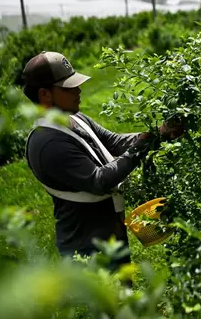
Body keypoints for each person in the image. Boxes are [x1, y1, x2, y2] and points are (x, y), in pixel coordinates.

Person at [21, 51, 184, 275]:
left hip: (109, 235)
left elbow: (115, 142)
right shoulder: (47, 144)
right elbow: (99, 180)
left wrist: (159, 134)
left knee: (124, 301)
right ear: (45, 95)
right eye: (68, 87)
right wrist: (141, 148)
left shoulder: (74, 118)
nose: (78, 90)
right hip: (87, 248)